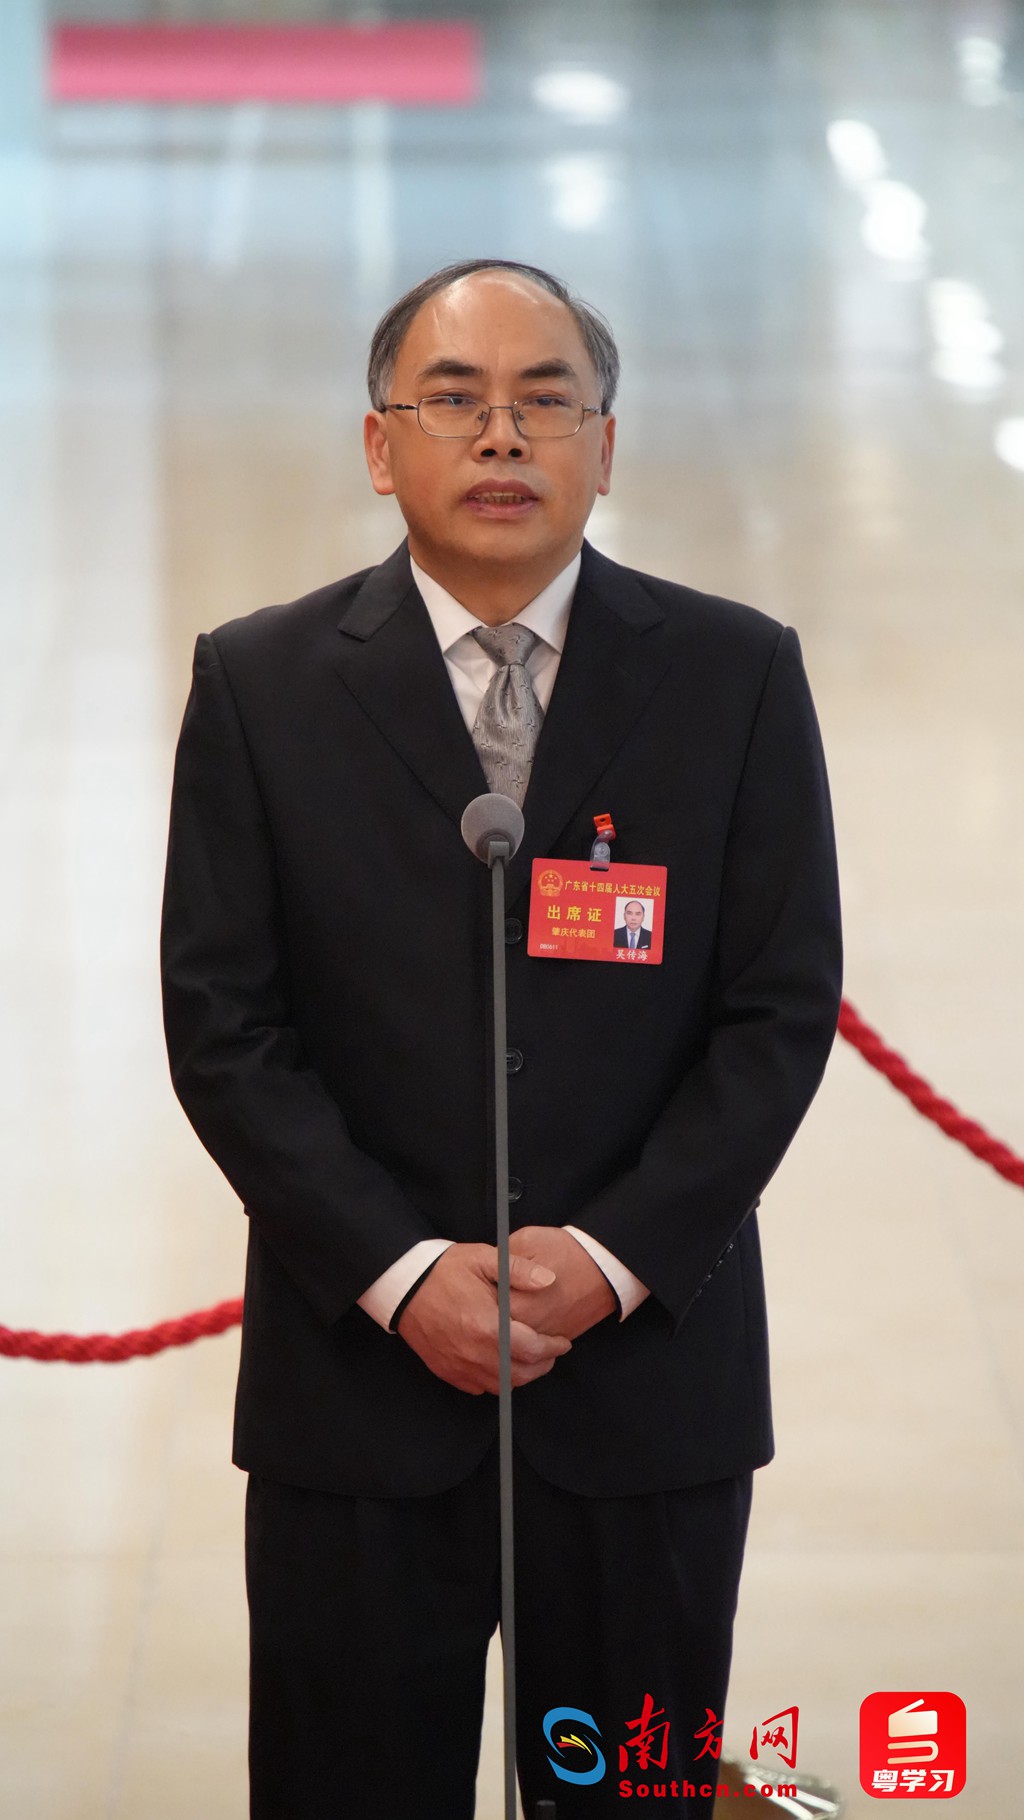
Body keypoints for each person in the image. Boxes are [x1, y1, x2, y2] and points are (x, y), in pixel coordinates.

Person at [160, 258, 842, 1819]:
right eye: (453, 400)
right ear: (377, 443)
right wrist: (403, 1274)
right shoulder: (261, 684)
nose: (501, 436)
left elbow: (779, 1007)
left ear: (607, 444)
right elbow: (225, 1026)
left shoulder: (734, 674)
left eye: (546, 400)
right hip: (358, 1389)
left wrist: (609, 1259)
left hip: (644, 1383)